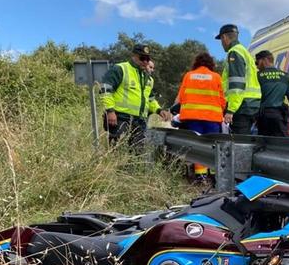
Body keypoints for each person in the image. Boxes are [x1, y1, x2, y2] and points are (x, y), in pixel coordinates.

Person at [99, 43, 171, 148]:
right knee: (119, 151)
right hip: (120, 119)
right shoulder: (120, 69)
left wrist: (160, 110)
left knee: (137, 155)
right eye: (142, 58)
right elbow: (105, 90)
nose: (145, 61)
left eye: (147, 59)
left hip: (140, 122)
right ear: (134, 56)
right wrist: (110, 111)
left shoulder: (148, 78)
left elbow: (150, 100)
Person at [176, 51, 226, 182]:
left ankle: (201, 175)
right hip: (212, 118)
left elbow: (181, 97)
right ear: (211, 63)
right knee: (213, 146)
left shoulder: (189, 75)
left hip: (193, 117)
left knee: (197, 145)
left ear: (196, 63)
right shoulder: (216, 77)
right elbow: (222, 100)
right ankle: (215, 175)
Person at [215, 24, 261, 134]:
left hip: (241, 106)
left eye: (221, 40)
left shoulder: (234, 52)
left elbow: (237, 83)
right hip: (250, 104)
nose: (221, 44)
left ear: (224, 37)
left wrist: (231, 109)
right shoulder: (244, 51)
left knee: (238, 143)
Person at [255, 50, 289, 137]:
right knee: (281, 147)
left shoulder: (258, 76)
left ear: (265, 60)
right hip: (279, 118)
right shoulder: (285, 76)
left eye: (257, 62)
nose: (257, 66)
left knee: (262, 146)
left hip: (263, 118)